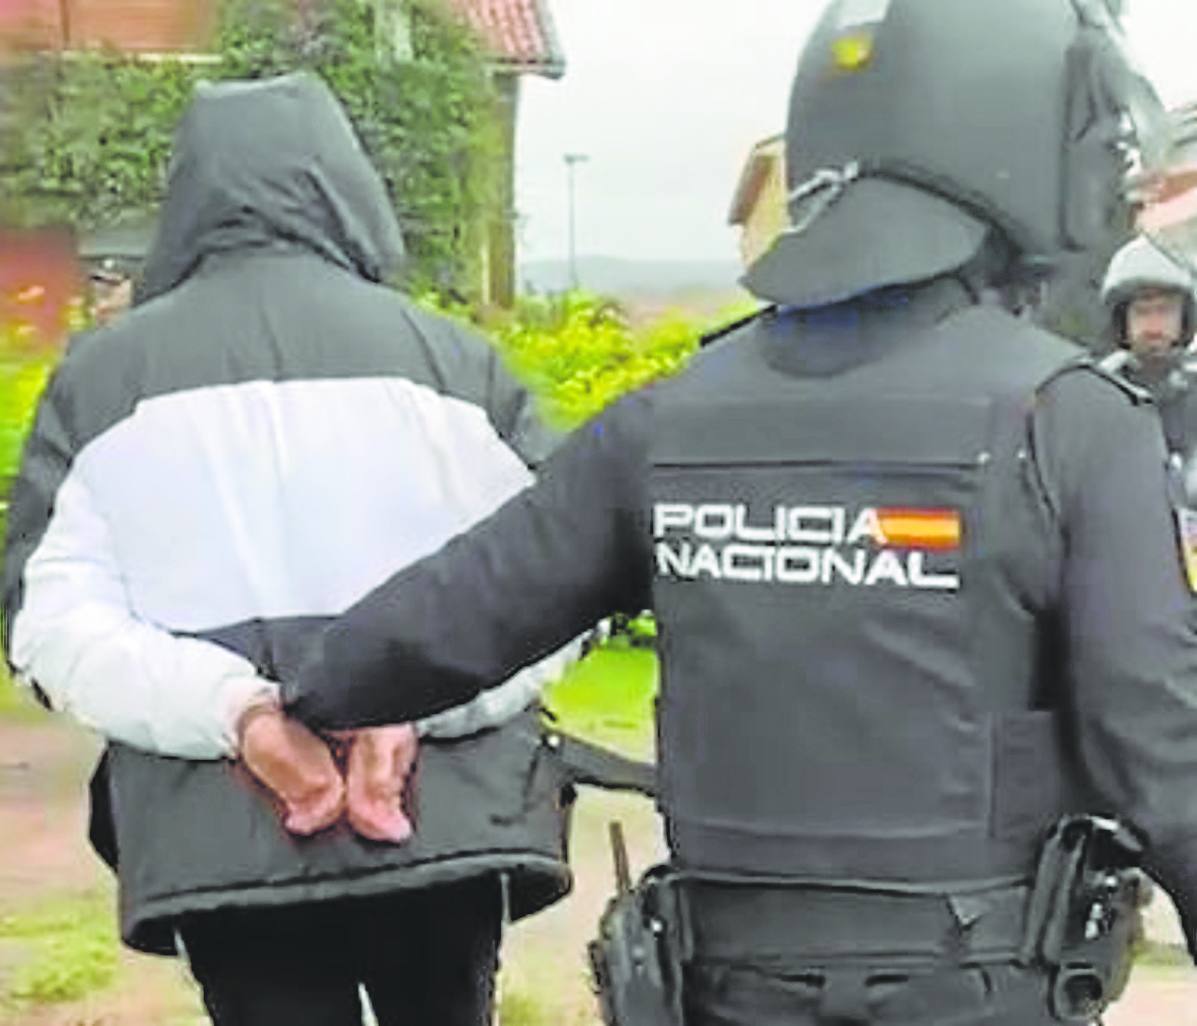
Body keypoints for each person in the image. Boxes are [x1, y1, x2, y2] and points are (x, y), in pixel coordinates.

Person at [280, 2, 1197, 1024]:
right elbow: (1163, 753)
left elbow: (449, 619)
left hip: (725, 990)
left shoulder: (673, 417)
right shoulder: (1068, 420)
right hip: (977, 984)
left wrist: (290, 699)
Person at [3, 72, 579, 1026]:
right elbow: (556, 581)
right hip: (440, 826)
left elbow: (49, 626)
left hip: (226, 843)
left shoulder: (101, 380)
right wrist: (411, 704)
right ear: (350, 188)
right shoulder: (454, 361)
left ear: (184, 197)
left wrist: (241, 717)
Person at [1099, 234, 1197, 485]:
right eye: (1142, 312)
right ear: (1123, 321)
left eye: (1165, 311)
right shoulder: (1096, 392)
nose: (1154, 326)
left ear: (1183, 319)